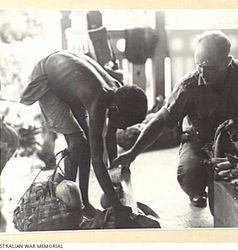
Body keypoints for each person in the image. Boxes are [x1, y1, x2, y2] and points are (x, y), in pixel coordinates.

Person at [112, 30, 238, 209]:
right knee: (189, 175)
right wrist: (133, 153)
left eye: (208, 67)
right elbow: (160, 121)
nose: (202, 72)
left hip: (236, 136)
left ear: (227, 62)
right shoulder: (188, 86)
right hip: (198, 140)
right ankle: (197, 190)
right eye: (198, 65)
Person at [20, 51, 148, 227]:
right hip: (48, 78)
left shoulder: (117, 91)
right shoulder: (98, 100)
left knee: (87, 143)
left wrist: (115, 173)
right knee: (78, 143)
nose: (124, 128)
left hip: (67, 81)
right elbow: (97, 159)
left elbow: (110, 136)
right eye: (125, 123)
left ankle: (84, 203)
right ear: (116, 110)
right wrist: (118, 207)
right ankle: (68, 206)